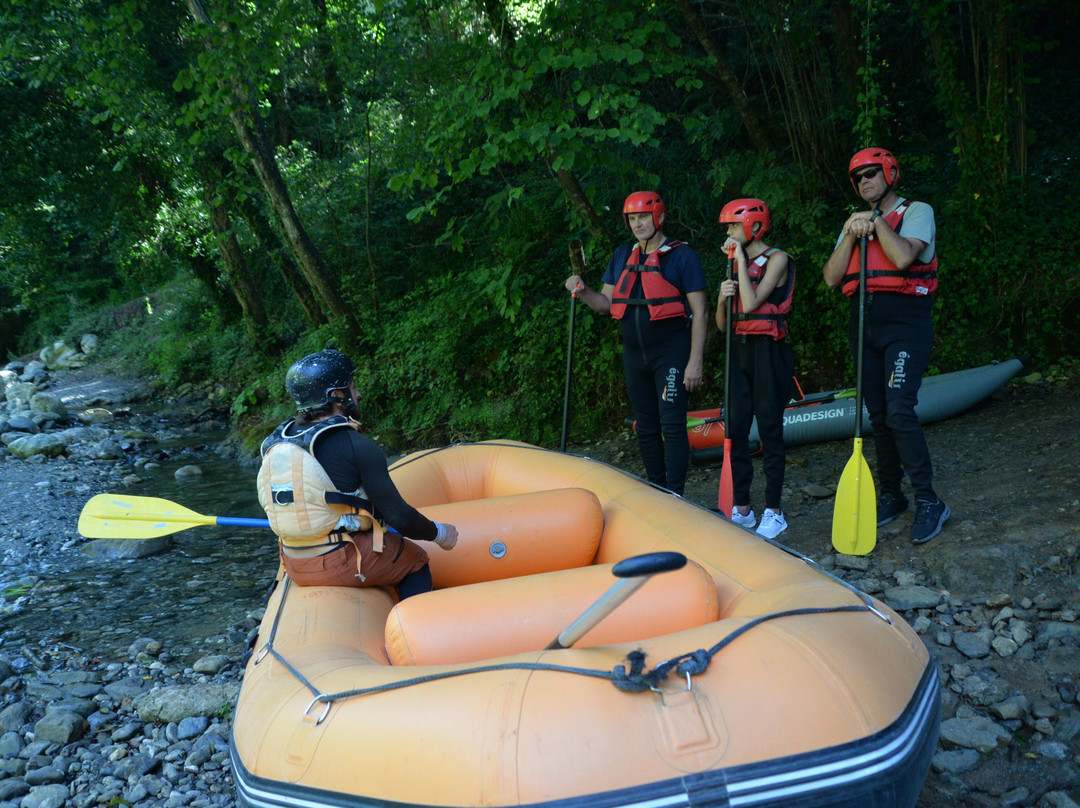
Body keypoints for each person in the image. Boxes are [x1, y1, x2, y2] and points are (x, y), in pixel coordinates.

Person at [822, 147, 950, 544]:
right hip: (864, 324)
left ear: (890, 173)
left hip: (905, 324)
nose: (864, 181)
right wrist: (849, 231)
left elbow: (901, 257)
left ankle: (929, 501)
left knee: (898, 408)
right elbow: (831, 277)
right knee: (878, 414)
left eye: (871, 174)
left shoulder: (917, 211)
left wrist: (875, 223)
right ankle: (892, 496)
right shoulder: (854, 223)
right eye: (858, 177)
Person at [257, 349, 458, 597]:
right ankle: (418, 631)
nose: (358, 393)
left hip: (292, 561)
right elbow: (400, 518)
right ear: (337, 396)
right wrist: (439, 533)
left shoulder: (275, 443)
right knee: (416, 562)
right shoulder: (356, 445)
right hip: (338, 558)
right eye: (352, 387)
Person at [564, 191, 707, 496]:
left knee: (671, 425)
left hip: (671, 352)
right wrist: (582, 289)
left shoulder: (682, 256)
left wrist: (695, 362)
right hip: (634, 356)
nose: (637, 224)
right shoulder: (621, 256)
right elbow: (605, 304)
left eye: (643, 217)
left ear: (660, 217)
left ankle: (676, 495)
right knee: (645, 427)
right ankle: (657, 491)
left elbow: (700, 311)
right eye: (632, 219)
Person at [715, 198, 795, 539]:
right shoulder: (736, 263)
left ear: (755, 227)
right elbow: (724, 324)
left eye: (733, 227)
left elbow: (750, 303)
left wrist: (740, 261)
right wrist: (721, 297)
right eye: (729, 228)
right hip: (741, 351)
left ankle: (774, 511)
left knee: (769, 428)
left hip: (768, 352)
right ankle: (743, 508)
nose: (730, 234)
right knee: (735, 426)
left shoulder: (778, 259)